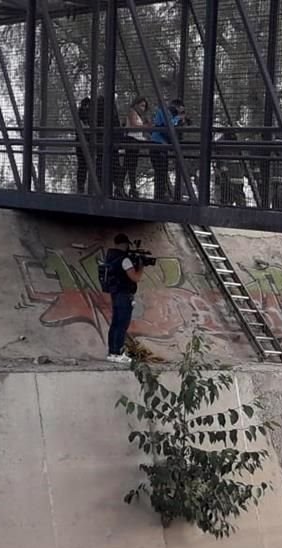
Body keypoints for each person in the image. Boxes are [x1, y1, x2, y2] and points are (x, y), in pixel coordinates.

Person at [105, 233, 144, 364]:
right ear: (125, 244)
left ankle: (112, 352)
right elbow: (135, 277)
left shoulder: (110, 256)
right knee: (122, 324)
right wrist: (141, 267)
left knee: (115, 323)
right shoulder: (124, 259)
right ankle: (118, 353)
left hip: (115, 293)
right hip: (124, 294)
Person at [150, 98, 185, 201]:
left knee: (161, 171)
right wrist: (178, 118)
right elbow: (168, 125)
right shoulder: (166, 112)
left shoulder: (166, 112)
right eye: (180, 110)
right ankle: (160, 195)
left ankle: (161, 194)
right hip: (158, 144)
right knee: (160, 171)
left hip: (160, 144)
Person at [124, 96, 149, 198]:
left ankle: (132, 188)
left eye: (144, 106)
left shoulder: (139, 115)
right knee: (129, 164)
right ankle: (127, 187)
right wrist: (146, 127)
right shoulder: (132, 112)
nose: (143, 108)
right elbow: (133, 126)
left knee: (131, 165)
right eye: (141, 105)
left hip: (137, 140)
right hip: (131, 140)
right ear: (136, 104)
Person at [216, 131, 247, 206]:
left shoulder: (223, 144)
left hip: (228, 177)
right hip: (236, 176)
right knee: (238, 198)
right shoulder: (238, 144)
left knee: (227, 199)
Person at [75, 96, 91, 193]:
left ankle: (81, 187)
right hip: (84, 142)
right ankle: (82, 187)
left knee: (82, 166)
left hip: (82, 142)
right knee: (84, 165)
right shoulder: (84, 113)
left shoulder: (81, 112)